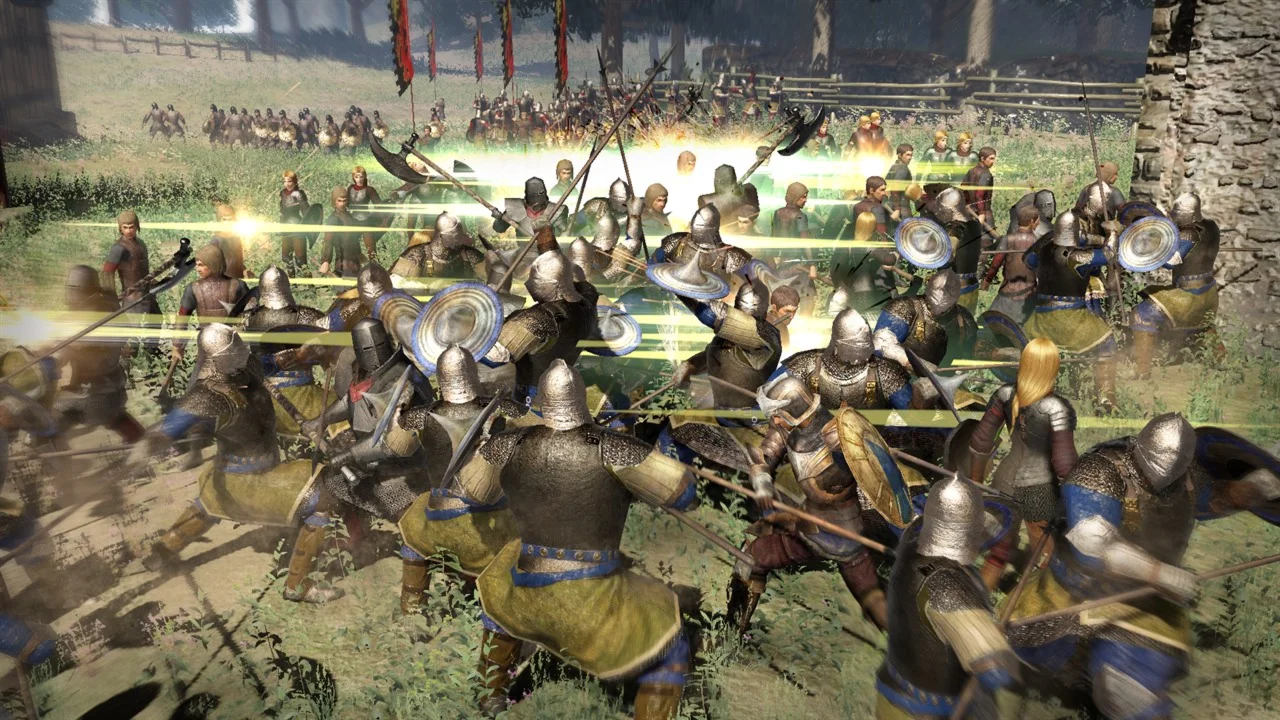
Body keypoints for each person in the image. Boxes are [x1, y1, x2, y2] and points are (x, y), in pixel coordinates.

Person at [457, 360, 698, 719]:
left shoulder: (506, 444)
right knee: (671, 644)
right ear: (582, 400)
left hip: (525, 588)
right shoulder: (616, 448)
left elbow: (475, 492)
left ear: (542, 400)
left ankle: (490, 695)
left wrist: (489, 455)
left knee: (499, 600)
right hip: (592, 597)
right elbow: (684, 494)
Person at [1004, 413, 1280, 720]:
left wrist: (1254, 488)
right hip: (1076, 589)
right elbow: (1092, 545)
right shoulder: (1099, 471)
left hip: (1143, 602)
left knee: (1129, 691)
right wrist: (1160, 574)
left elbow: (1211, 500)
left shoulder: (1187, 477)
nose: (1163, 479)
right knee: (1030, 661)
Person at [137, 325, 345, 603]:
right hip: (249, 481)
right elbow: (167, 429)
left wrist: (305, 352)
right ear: (223, 357)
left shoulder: (246, 370)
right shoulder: (207, 396)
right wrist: (153, 442)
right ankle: (298, 586)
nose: (243, 352)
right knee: (323, 496)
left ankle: (161, 552)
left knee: (208, 504)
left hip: (228, 478)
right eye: (235, 350)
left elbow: (279, 361)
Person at [730, 377, 902, 634]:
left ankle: (732, 630)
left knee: (750, 557)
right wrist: (763, 482)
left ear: (795, 411)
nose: (775, 420)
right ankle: (734, 630)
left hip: (830, 532)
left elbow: (849, 483)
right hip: (824, 525)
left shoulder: (839, 443)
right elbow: (764, 456)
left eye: (779, 415)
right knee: (871, 595)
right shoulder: (789, 426)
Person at [876, 472, 1021, 719]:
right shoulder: (949, 587)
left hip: (894, 688)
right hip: (926, 711)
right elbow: (996, 674)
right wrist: (996, 640)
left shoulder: (912, 544)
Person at [967, 338, 1078, 590]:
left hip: (1004, 480)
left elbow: (980, 442)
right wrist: (1073, 502)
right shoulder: (1056, 407)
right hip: (1040, 489)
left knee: (998, 552)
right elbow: (1064, 464)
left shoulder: (1005, 394)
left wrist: (975, 482)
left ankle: (978, 602)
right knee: (1048, 557)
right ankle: (1041, 602)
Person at [483, 231, 599, 407]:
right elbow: (561, 269)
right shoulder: (588, 294)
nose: (530, 284)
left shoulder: (538, 319)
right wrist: (544, 232)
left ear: (553, 286)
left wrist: (490, 316)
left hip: (530, 394)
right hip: (562, 381)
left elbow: (495, 355)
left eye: (536, 280)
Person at [1022, 211, 1119, 410]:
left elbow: (1028, 260)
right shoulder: (1077, 257)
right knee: (1107, 344)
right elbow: (1109, 254)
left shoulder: (1045, 250)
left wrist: (1048, 238)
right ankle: (1105, 397)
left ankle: (1038, 391)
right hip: (1071, 320)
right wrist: (1113, 234)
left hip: (1040, 320)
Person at [48, 267, 146, 445]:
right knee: (115, 418)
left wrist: (59, 355)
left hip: (93, 393)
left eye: (76, 290)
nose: (72, 295)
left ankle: (51, 453)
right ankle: (141, 440)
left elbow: (66, 357)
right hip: (112, 389)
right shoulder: (108, 310)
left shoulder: (96, 320)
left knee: (52, 422)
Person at [1132, 192, 1224, 378]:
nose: (1173, 215)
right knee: (1202, 323)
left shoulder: (1188, 233)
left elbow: (1170, 263)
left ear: (1190, 214)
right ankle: (1222, 359)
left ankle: (1142, 370)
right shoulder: (1212, 226)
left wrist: (1153, 246)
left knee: (1143, 314)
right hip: (1209, 294)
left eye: (1177, 213)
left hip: (1189, 295)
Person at [240, 266, 328, 435]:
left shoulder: (246, 318)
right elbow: (329, 348)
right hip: (304, 392)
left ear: (262, 288)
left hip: (260, 393)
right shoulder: (308, 315)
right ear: (286, 287)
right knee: (337, 405)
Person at [779, 309, 913, 411]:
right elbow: (769, 398)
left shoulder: (885, 372)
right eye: (856, 348)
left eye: (866, 347)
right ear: (837, 344)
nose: (864, 355)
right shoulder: (807, 364)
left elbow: (916, 418)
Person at [874, 269, 977, 370]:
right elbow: (881, 343)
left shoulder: (963, 316)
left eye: (948, 291)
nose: (942, 293)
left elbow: (968, 350)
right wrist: (914, 364)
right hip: (901, 375)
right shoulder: (904, 307)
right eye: (939, 289)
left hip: (943, 376)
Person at [172, 244, 250, 364]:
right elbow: (183, 317)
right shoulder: (193, 288)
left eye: (201, 265)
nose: (197, 269)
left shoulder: (238, 286)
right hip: (208, 345)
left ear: (214, 264)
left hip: (233, 344)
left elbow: (251, 313)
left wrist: (177, 347)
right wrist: (177, 346)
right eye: (197, 265)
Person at [828, 213, 901, 315]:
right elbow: (889, 260)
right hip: (869, 293)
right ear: (873, 226)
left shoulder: (849, 245)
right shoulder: (868, 246)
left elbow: (837, 269)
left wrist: (842, 288)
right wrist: (897, 253)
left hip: (853, 291)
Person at [101, 210, 159, 336]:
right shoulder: (118, 248)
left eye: (131, 227)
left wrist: (152, 281)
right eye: (125, 227)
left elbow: (142, 268)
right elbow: (107, 273)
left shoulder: (141, 244)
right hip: (131, 298)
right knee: (133, 336)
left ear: (137, 226)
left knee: (156, 327)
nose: (128, 231)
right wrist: (112, 300)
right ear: (120, 228)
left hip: (148, 294)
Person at [982, 204, 1041, 324]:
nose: (1038, 223)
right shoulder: (1038, 242)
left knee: (991, 324)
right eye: (1037, 220)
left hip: (1008, 294)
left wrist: (987, 281)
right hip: (1028, 296)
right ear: (1031, 221)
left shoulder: (1007, 239)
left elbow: (995, 264)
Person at [493, 177, 570, 237]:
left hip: (548, 252)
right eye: (535, 194)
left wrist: (571, 225)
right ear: (527, 194)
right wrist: (499, 219)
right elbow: (499, 228)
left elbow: (564, 235)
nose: (538, 197)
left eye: (541, 193)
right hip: (523, 251)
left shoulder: (555, 210)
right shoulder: (515, 207)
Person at [318, 187, 365, 278]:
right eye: (339, 201)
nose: (342, 204)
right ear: (334, 202)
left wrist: (359, 253)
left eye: (344, 201)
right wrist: (326, 261)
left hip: (355, 261)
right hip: (342, 262)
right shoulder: (333, 219)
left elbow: (354, 238)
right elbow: (328, 240)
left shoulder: (350, 216)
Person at [347, 166, 385, 262]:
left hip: (366, 221)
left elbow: (378, 204)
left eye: (361, 177)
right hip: (353, 220)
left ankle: (374, 266)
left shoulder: (369, 190)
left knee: (371, 251)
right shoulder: (350, 188)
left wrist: (376, 216)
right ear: (353, 177)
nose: (359, 179)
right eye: (356, 177)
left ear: (365, 177)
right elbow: (347, 203)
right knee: (352, 249)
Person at [961, 146, 998, 238]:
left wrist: (967, 204)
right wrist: (982, 213)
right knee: (986, 241)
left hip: (969, 212)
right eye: (991, 158)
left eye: (994, 158)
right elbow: (979, 195)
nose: (993, 161)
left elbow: (963, 189)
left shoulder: (971, 170)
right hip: (983, 213)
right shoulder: (986, 174)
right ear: (982, 158)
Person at [278, 171, 310, 272]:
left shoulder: (298, 194)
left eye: (289, 181)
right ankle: (291, 279)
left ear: (295, 182)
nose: (287, 184)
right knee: (286, 258)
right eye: (285, 181)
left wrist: (306, 225)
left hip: (297, 227)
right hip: (285, 227)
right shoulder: (282, 193)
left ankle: (306, 280)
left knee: (300, 259)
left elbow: (306, 211)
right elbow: (282, 212)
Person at [210, 203, 249, 279]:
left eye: (230, 219)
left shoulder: (236, 239)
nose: (227, 223)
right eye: (224, 219)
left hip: (237, 279)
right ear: (220, 221)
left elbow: (238, 260)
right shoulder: (216, 240)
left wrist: (245, 270)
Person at [884, 144, 914, 229]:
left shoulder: (894, 166)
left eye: (911, 155)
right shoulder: (902, 169)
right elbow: (895, 189)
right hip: (902, 208)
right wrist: (897, 209)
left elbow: (886, 185)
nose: (910, 158)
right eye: (907, 155)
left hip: (893, 206)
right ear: (900, 155)